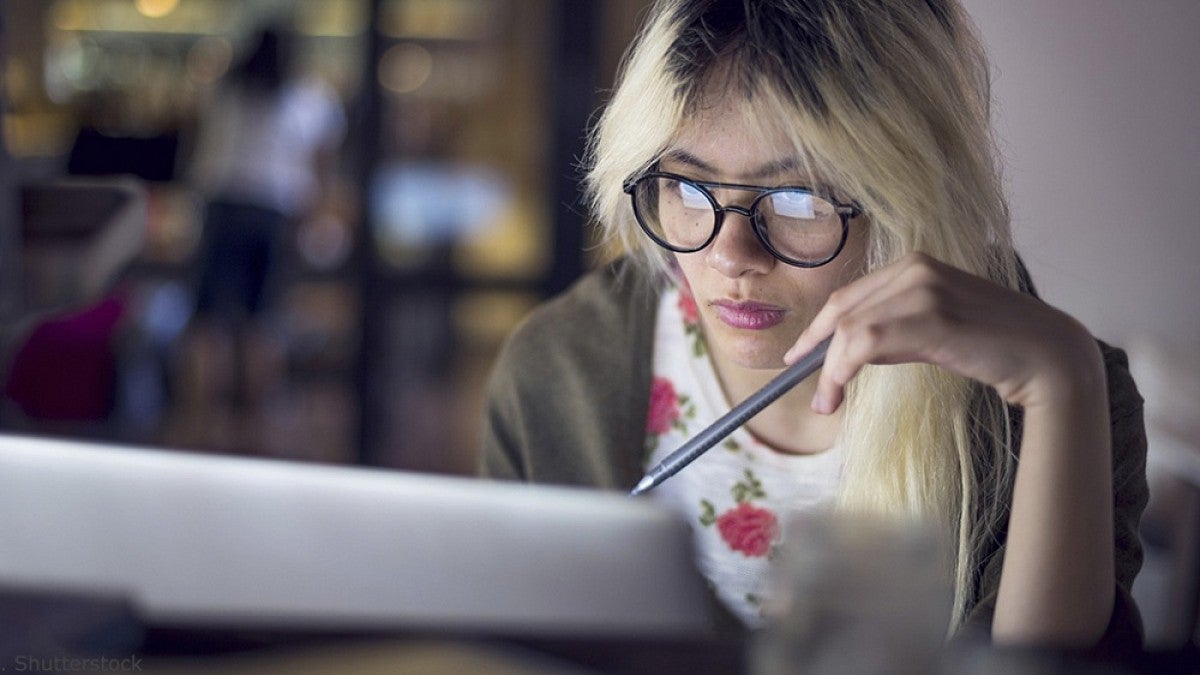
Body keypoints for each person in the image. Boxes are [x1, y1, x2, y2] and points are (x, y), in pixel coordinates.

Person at [480, 0, 1148, 655]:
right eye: (686, 186)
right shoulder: (557, 367)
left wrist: (1064, 378)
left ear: (910, 198)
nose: (731, 256)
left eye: (799, 197)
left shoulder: (1062, 399)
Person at [176, 24, 345, 449]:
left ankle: (200, 422)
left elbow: (195, 151)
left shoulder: (223, 91)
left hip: (220, 206)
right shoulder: (310, 97)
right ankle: (255, 426)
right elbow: (321, 168)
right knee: (262, 321)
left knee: (208, 322)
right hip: (272, 212)